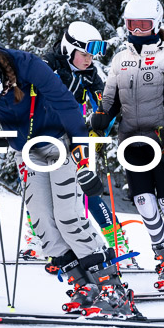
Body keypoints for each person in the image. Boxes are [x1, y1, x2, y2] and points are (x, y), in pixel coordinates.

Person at [0, 48, 142, 317]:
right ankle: (83, 285)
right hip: (26, 151)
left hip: (60, 142)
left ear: (2, 80)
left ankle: (113, 290)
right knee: (42, 223)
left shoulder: (29, 66)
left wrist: (81, 149)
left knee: (68, 217)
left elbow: (65, 102)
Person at [90, 0, 164, 293]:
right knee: (145, 205)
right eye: (132, 25)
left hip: (161, 140)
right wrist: (101, 117)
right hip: (131, 143)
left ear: (156, 24)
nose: (138, 31)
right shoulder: (121, 59)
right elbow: (110, 99)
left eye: (144, 25)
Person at [40, 21, 136, 268]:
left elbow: (107, 108)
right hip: (44, 140)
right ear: (67, 49)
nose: (89, 60)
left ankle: (116, 241)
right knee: (43, 195)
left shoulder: (90, 75)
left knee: (84, 192)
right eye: (84, 54)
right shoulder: (47, 67)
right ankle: (44, 243)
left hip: (76, 143)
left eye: (91, 55)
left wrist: (99, 125)